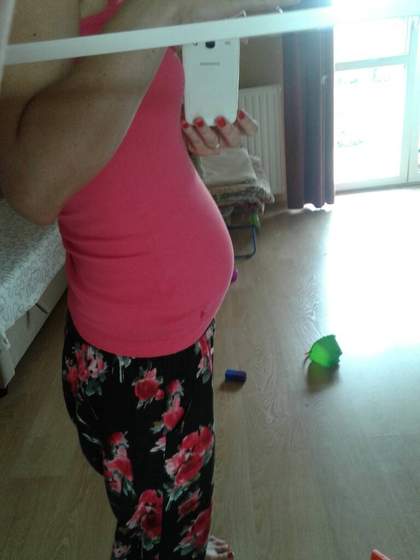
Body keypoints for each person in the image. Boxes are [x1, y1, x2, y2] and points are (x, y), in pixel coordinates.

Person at [0, 0, 282, 558]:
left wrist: (184, 131)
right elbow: (32, 189)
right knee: (157, 541)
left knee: (174, 516)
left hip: (178, 334)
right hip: (138, 363)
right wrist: (166, 5)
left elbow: (123, 142)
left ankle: (184, 534)